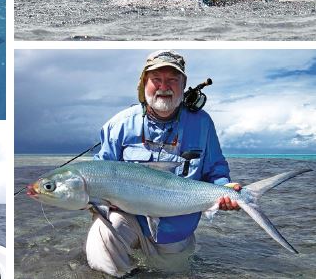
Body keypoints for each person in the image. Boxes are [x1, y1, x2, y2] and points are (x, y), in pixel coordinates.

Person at [86, 50, 236, 276]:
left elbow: (216, 170)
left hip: (175, 232)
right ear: (144, 84)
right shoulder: (118, 125)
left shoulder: (202, 123)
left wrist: (225, 189)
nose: (164, 86)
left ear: (183, 85)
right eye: (156, 79)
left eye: (172, 80)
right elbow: (98, 173)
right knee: (101, 241)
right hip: (129, 221)